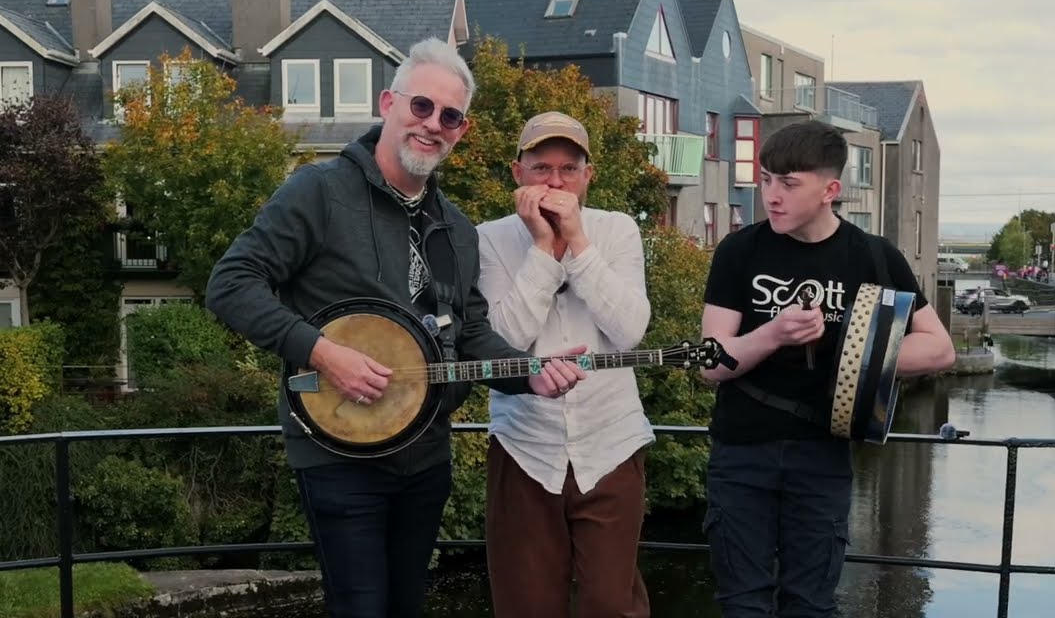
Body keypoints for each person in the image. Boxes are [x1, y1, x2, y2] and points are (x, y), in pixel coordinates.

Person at [204, 38, 588, 618]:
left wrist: (528, 374)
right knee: (360, 608)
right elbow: (230, 284)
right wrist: (322, 353)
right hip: (337, 458)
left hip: (427, 458)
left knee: (407, 605)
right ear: (389, 103)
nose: (433, 124)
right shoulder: (319, 191)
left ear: (462, 129)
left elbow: (471, 333)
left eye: (450, 116)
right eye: (422, 106)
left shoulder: (456, 228)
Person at [697, 120, 956, 617]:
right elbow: (713, 363)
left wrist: (849, 349)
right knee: (742, 604)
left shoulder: (874, 257)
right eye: (766, 179)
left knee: (811, 606)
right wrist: (773, 334)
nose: (771, 195)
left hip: (823, 453)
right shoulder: (740, 251)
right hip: (742, 449)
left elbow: (940, 350)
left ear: (830, 190)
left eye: (789, 184)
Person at [476, 111, 654, 617]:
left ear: (587, 177)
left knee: (612, 603)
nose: (555, 182)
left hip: (611, 441)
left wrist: (576, 243)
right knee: (526, 603)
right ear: (517, 173)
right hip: (524, 445)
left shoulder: (616, 231)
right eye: (541, 168)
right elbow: (502, 341)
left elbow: (629, 331)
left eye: (568, 169)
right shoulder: (487, 238)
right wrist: (541, 249)